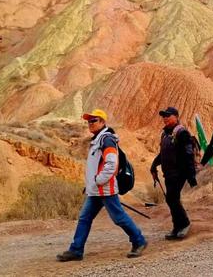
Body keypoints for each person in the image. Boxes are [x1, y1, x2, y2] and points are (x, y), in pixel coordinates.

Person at [57, 109, 147, 261]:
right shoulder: (98, 140)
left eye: (94, 120)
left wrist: (98, 180)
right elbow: (96, 166)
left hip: (106, 188)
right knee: (84, 218)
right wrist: (91, 184)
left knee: (119, 218)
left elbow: (111, 164)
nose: (90, 124)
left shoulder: (107, 140)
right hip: (95, 190)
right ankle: (76, 250)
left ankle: (139, 241)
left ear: (103, 122)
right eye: (89, 121)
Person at [150, 107, 197, 240]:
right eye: (164, 116)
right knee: (171, 199)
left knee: (172, 198)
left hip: (179, 173)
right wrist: (154, 165)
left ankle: (184, 224)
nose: (165, 118)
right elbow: (163, 154)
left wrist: (191, 175)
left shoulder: (182, 133)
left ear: (176, 116)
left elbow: (189, 155)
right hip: (168, 173)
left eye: (168, 115)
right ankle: (177, 227)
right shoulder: (165, 134)